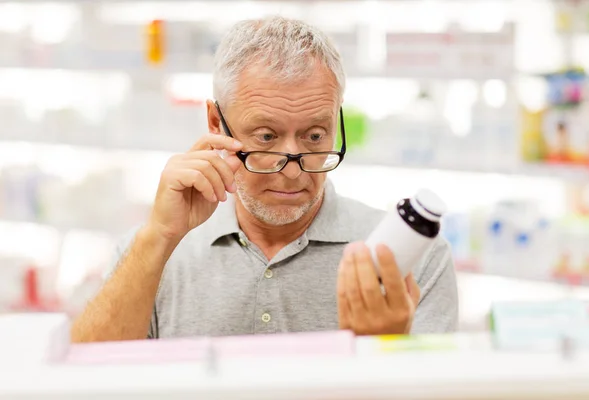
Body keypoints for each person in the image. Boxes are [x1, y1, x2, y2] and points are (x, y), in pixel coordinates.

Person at [71, 16, 458, 342]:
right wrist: (157, 237)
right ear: (215, 122)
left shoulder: (412, 259)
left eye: (315, 136)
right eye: (267, 137)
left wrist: (382, 349)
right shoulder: (155, 251)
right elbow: (85, 380)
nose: (292, 170)